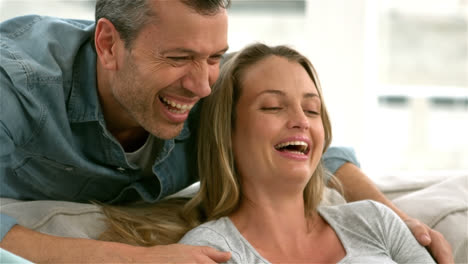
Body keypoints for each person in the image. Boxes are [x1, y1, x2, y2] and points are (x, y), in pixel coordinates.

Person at [0, 0, 452, 263]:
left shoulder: (206, 96)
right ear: (108, 44)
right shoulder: (17, 86)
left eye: (214, 57)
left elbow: (306, 146)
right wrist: (135, 259)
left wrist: (397, 220)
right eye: (178, 59)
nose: (201, 85)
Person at [100, 43, 437, 263]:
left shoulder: (375, 222)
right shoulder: (212, 251)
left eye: (312, 109)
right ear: (227, 133)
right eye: (273, 107)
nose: (301, 121)